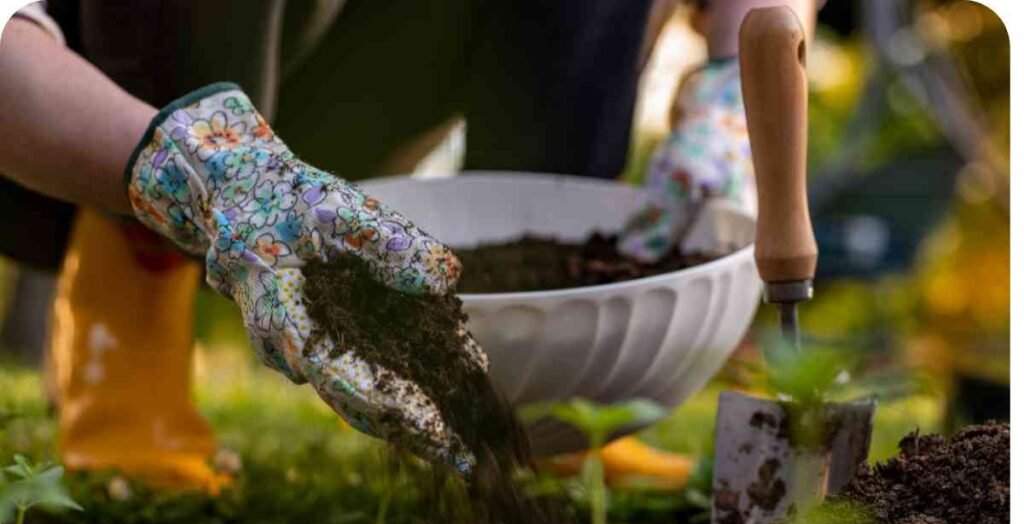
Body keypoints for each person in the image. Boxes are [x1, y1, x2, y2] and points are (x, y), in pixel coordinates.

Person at [0, 0, 820, 492]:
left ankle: (560, 362)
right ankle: (130, 305)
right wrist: (205, 175)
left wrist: (728, 94)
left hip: (376, 91)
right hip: (100, 119)